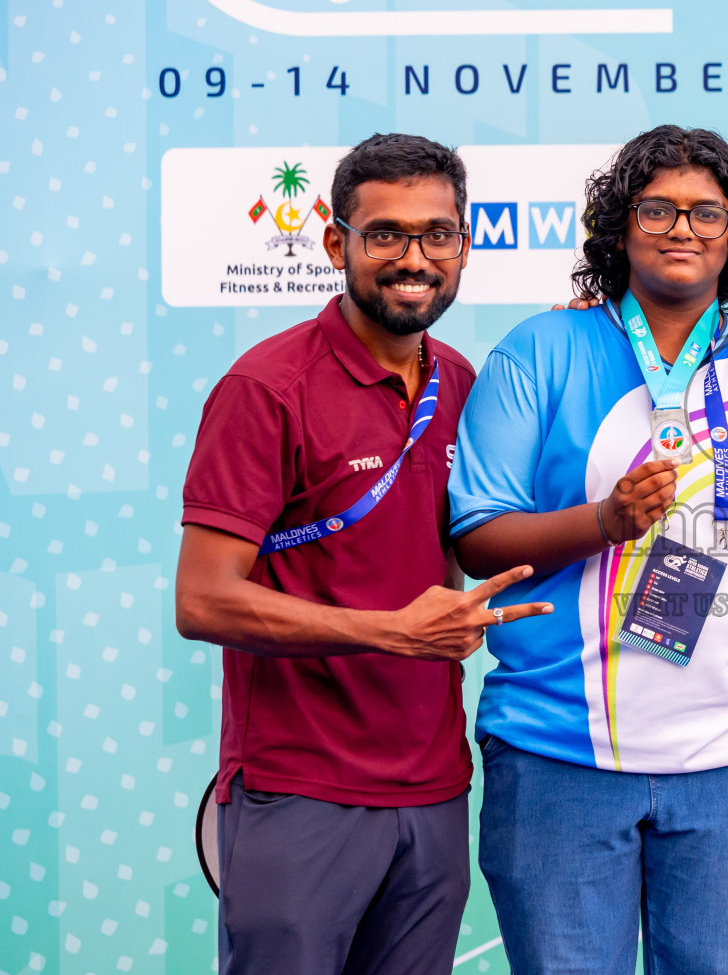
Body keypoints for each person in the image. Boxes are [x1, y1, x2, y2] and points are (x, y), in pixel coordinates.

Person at [448, 124, 728, 975]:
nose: (682, 229)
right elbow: (478, 537)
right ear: (618, 226)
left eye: (706, 213)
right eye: (657, 209)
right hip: (556, 749)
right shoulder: (540, 351)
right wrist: (601, 521)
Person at [175, 133, 549, 975]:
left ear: (463, 245)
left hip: (435, 789)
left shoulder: (461, 380)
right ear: (338, 243)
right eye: (386, 235)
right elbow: (202, 601)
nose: (413, 258)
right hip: (299, 789)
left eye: (437, 235)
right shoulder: (266, 390)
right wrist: (391, 632)